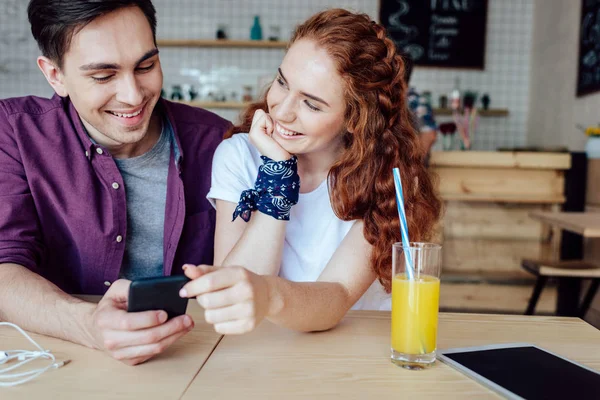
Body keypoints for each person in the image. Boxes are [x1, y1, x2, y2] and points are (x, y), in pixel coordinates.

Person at [179, 9, 442, 335]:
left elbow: (338, 294)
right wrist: (278, 174)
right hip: (266, 350)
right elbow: (233, 295)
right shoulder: (240, 155)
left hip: (357, 346)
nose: (282, 111)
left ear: (354, 117)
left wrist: (269, 294)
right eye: (282, 83)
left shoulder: (387, 177)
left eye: (312, 104)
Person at [0, 0, 230, 365]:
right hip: (66, 361)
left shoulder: (219, 142)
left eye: (146, 66)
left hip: (198, 356)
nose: (133, 95)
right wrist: (88, 324)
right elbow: (4, 268)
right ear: (55, 75)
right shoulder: (13, 132)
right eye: (103, 76)